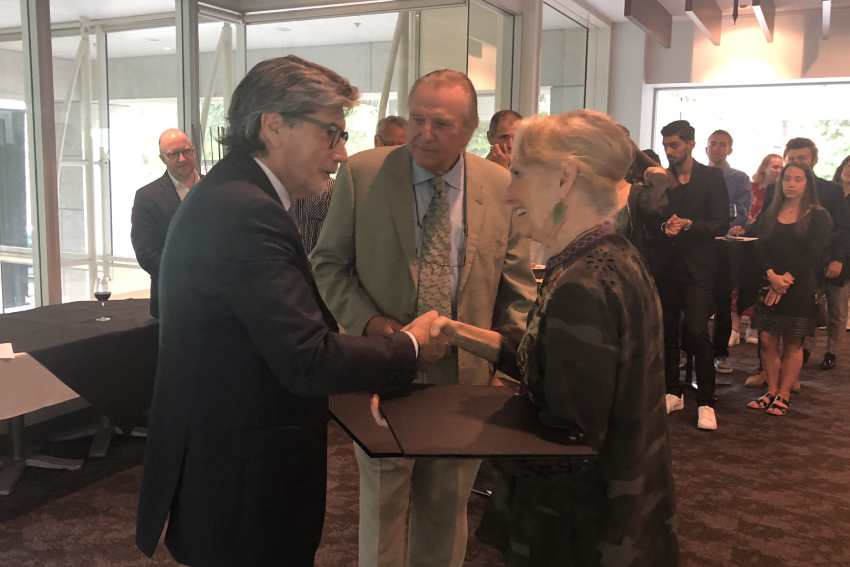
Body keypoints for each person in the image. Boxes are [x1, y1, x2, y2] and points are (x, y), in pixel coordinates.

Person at [135, 56, 440, 567]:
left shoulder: (236, 195)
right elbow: (307, 358)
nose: (341, 153)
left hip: (232, 465)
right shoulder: (244, 209)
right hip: (243, 482)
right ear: (274, 126)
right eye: (331, 133)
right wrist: (409, 346)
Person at [424, 110, 679, 567]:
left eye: (519, 173)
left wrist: (451, 436)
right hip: (613, 518)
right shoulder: (611, 258)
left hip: (575, 534)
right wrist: (458, 332)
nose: (509, 191)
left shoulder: (582, 285)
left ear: (564, 178)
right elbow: (552, 366)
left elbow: (568, 448)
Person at [311, 69, 536, 567]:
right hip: (382, 372)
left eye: (441, 123)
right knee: (383, 503)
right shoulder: (363, 174)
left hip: (465, 380)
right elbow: (327, 264)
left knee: (445, 506)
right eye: (416, 118)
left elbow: (516, 290)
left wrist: (504, 370)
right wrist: (372, 325)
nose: (424, 134)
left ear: (471, 128)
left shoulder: (501, 187)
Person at [644, 120, 728, 430]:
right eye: (665, 145)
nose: (668, 151)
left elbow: (720, 223)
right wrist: (664, 228)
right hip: (666, 264)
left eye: (674, 145)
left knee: (696, 332)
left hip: (698, 267)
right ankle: (672, 391)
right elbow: (651, 220)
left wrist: (690, 224)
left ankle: (706, 400)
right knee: (667, 332)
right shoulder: (660, 178)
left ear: (691, 144)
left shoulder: (711, 178)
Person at [757, 138, 850, 372]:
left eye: (802, 159)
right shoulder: (775, 189)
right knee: (783, 323)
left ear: (814, 161)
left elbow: (842, 226)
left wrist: (837, 257)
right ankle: (779, 367)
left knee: (831, 311)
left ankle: (828, 352)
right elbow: (764, 226)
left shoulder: (831, 190)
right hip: (784, 264)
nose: (796, 164)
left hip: (823, 260)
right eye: (792, 159)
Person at [746, 163, 831, 416]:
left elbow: (816, 254)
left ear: (808, 183)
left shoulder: (819, 215)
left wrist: (785, 280)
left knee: (793, 342)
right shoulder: (771, 211)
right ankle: (771, 391)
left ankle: (783, 394)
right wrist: (772, 276)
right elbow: (760, 247)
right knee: (767, 340)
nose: (791, 184)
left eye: (797, 179)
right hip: (770, 281)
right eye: (787, 179)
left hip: (799, 285)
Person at [295, 116, 409, 259]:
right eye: (389, 145)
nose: (341, 156)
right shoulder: (355, 184)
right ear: (377, 141)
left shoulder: (411, 189)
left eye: (400, 148)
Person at [130, 128, 199, 318]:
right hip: (173, 303)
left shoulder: (216, 188)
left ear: (193, 151)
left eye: (186, 151)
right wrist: (192, 278)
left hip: (219, 303)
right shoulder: (147, 198)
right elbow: (146, 254)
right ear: (162, 158)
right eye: (174, 154)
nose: (182, 158)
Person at [705, 130, 752, 374]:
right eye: (712, 143)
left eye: (722, 144)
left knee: (723, 302)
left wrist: (734, 226)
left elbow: (741, 212)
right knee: (691, 301)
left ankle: (720, 353)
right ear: (705, 149)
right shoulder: (696, 176)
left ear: (729, 150)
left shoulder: (739, 178)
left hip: (725, 248)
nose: (716, 148)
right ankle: (686, 350)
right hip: (700, 247)